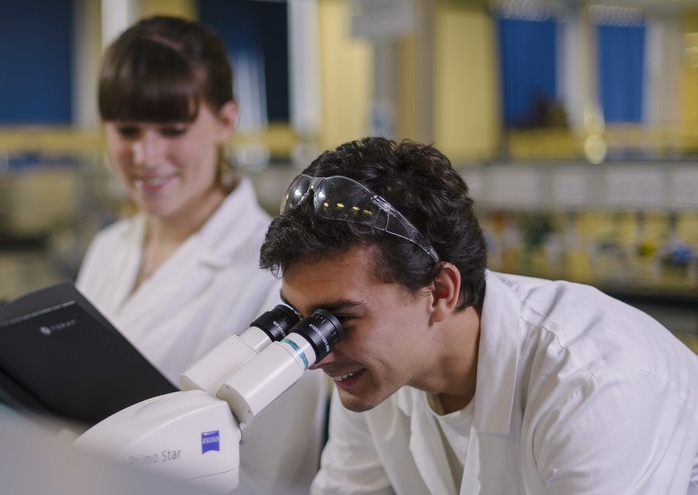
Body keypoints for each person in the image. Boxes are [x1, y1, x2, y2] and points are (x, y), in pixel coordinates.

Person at [260, 136, 698, 494]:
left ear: (440, 291)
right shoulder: (373, 376)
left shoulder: (590, 386)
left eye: (339, 319)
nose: (317, 354)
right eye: (302, 319)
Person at [75, 15, 328, 492]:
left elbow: (274, 476)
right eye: (127, 130)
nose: (146, 156)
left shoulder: (280, 274)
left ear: (226, 122)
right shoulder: (109, 248)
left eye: (172, 129)